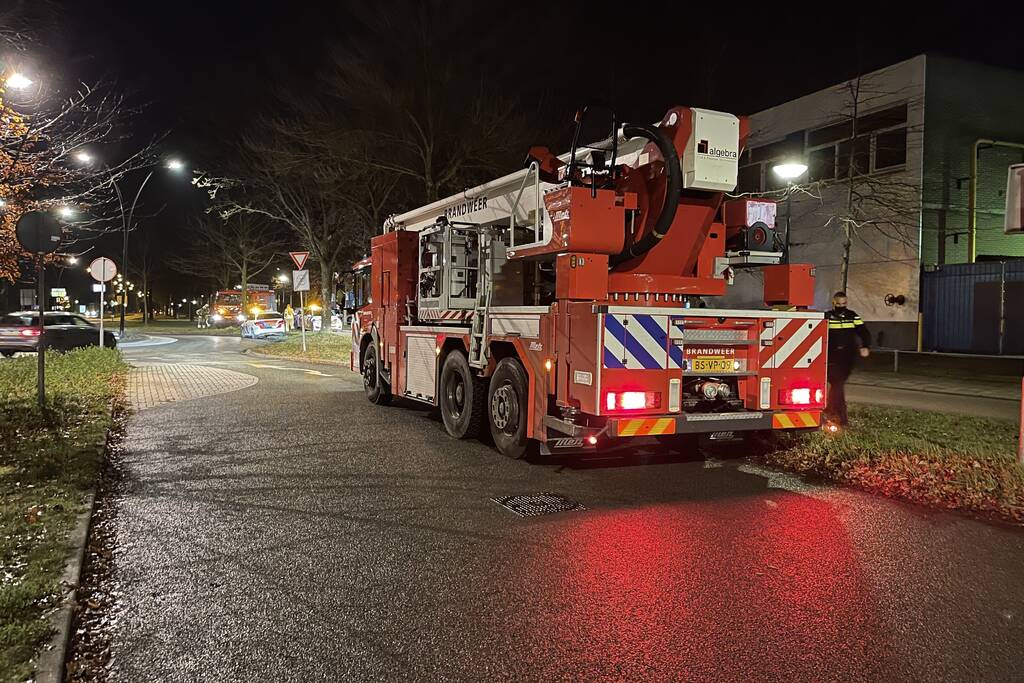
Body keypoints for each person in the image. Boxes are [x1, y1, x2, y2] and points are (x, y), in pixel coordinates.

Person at [825, 291, 870, 426]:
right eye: (838, 304)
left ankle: (830, 409)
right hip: (832, 355)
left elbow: (864, 332)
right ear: (833, 303)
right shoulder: (827, 316)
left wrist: (865, 346)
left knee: (837, 384)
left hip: (848, 356)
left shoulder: (852, 315)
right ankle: (842, 416)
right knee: (837, 383)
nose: (841, 306)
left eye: (844, 303)